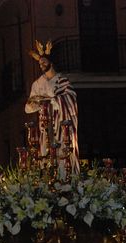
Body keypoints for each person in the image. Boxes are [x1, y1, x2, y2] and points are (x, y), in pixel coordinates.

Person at [25, 39, 79, 175]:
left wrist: (52, 100)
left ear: (51, 62)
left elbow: (71, 98)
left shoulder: (62, 80)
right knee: (45, 153)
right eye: (39, 63)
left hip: (61, 124)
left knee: (63, 153)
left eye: (44, 62)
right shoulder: (37, 84)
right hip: (45, 124)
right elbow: (28, 108)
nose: (41, 64)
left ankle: (65, 178)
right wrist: (36, 103)